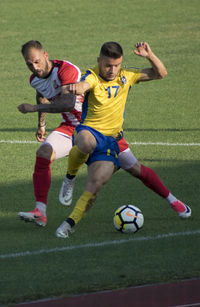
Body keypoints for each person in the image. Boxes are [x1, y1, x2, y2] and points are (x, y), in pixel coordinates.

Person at [56, 41, 191, 238]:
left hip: (113, 141)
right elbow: (85, 84)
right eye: (108, 65)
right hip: (90, 132)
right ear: (99, 61)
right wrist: (78, 88)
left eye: (116, 65)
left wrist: (149, 55)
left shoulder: (126, 76)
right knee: (85, 143)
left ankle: (172, 200)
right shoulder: (92, 76)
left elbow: (161, 73)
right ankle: (70, 177)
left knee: (120, 176)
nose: (112, 70)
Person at [17, 40, 83, 227]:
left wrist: (33, 108)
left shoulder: (65, 70)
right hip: (70, 127)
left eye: (37, 61)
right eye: (29, 64)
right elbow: (41, 94)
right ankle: (40, 212)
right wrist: (42, 125)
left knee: (131, 167)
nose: (34, 67)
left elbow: (68, 103)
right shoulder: (34, 79)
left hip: (94, 126)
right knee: (43, 153)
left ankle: (173, 201)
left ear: (45, 55)